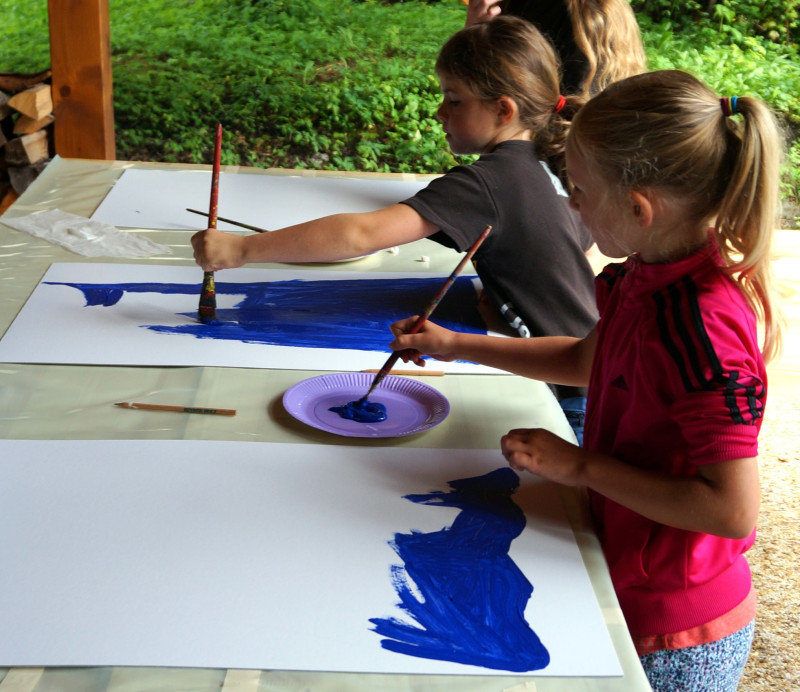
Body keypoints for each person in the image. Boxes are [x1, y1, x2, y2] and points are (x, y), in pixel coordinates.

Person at [388, 69, 784, 691]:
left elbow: (731, 510)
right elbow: (587, 361)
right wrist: (456, 345)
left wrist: (578, 467)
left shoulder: (700, 329)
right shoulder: (643, 277)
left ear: (637, 207)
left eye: (578, 190)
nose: (571, 205)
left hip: (677, 633)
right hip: (624, 570)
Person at [192, 16, 598, 402]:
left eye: (454, 100)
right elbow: (574, 254)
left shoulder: (490, 183)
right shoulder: (553, 159)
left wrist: (241, 250)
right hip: (594, 367)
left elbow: (362, 235)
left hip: (570, 396)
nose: (441, 112)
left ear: (503, 110)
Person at [464, 0, 646, 97]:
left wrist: (473, 39)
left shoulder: (545, 9)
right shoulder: (605, 9)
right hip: (590, 144)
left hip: (553, 145)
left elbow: (491, 90)